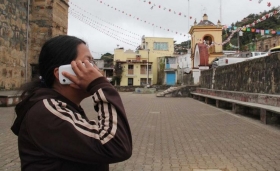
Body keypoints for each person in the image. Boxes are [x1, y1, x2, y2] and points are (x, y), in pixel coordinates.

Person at [11, 35, 132, 171]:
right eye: (87, 63)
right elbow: (116, 146)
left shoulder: (63, 106)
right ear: (62, 73)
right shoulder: (46, 111)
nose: (95, 70)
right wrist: (102, 86)